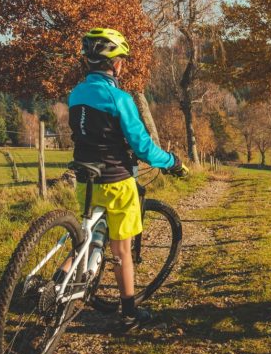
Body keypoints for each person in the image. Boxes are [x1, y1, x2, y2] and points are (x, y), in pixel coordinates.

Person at [68, 27, 189, 331]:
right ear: (115, 63)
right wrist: (172, 162)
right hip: (116, 181)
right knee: (121, 250)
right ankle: (129, 313)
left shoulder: (76, 93)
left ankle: (58, 283)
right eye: (121, 59)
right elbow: (142, 147)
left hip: (85, 179)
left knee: (85, 238)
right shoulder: (119, 98)